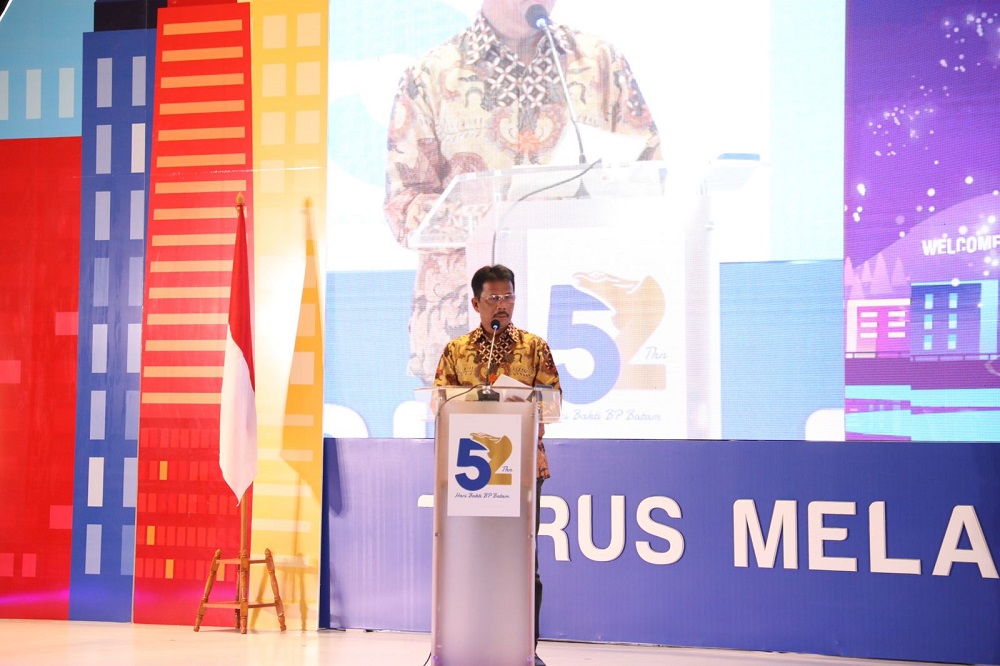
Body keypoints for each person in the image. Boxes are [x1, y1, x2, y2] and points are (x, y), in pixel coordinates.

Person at [386, 0, 661, 384]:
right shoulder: (430, 76)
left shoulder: (600, 64)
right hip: (466, 328)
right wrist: (498, 217)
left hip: (585, 326)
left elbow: (650, 175)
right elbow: (404, 207)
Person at [433, 264, 560, 666]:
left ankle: (524, 650)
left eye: (508, 297)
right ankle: (467, 643)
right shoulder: (456, 351)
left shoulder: (534, 347)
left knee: (522, 563)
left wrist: (520, 402)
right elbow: (439, 406)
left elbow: (552, 406)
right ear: (476, 304)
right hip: (468, 476)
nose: (502, 305)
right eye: (493, 298)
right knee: (469, 559)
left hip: (522, 472)